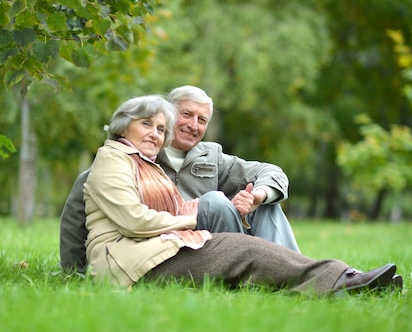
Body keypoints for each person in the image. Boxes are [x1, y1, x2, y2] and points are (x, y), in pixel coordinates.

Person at [82, 94, 401, 295]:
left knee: (250, 238)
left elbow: (270, 173)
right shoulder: (112, 159)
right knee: (243, 247)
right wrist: (196, 217)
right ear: (124, 127)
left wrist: (258, 196)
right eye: (146, 124)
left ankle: (345, 280)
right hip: (131, 265)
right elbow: (131, 221)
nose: (155, 133)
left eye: (160, 129)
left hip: (156, 253)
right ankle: (344, 280)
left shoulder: (143, 161)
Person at [60, 86, 299, 272]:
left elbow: (272, 172)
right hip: (169, 248)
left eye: (202, 120)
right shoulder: (140, 153)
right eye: (186, 114)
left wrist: (259, 195)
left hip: (214, 239)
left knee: (267, 207)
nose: (193, 125)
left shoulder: (212, 157)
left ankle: (292, 270)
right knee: (215, 202)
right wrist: (74, 269)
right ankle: (255, 271)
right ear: (168, 115)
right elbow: (78, 210)